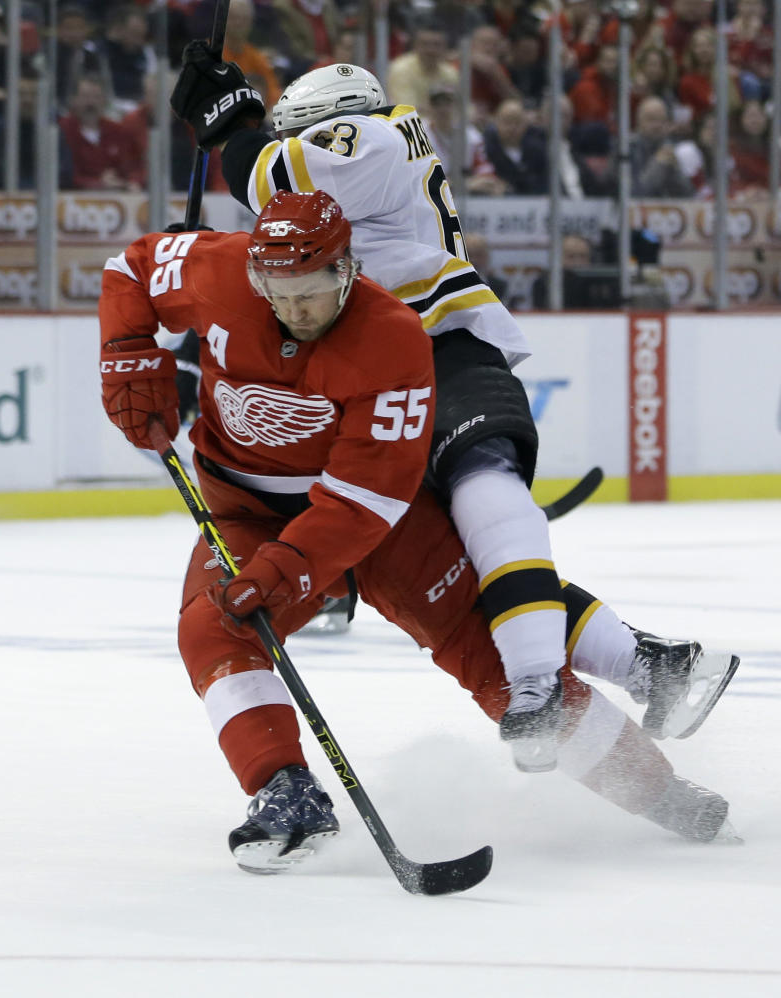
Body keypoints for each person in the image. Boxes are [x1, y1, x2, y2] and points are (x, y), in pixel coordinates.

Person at [98, 191, 737, 873]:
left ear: (345, 270)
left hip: (379, 524)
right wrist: (129, 350)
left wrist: (291, 568)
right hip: (246, 512)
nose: (293, 309)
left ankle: (666, 796)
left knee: (499, 658)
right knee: (209, 627)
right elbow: (129, 269)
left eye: (311, 291)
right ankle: (286, 792)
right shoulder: (220, 267)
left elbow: (364, 499)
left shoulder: (392, 335)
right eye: (277, 291)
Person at [168, 51, 739, 772]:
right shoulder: (384, 147)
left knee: (483, 509)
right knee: (475, 572)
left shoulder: (367, 139)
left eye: (295, 135)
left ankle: (546, 682)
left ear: (326, 124)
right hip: (403, 365)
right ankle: (649, 663)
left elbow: (269, 176)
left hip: (440, 346)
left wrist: (234, 123)